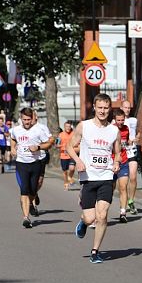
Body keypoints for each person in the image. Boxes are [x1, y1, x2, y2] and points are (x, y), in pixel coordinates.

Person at [66, 93, 121, 264]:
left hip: (106, 176)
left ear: (109, 109)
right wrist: (78, 161)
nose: (103, 111)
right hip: (88, 177)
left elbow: (118, 153)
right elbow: (68, 146)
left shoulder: (114, 130)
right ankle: (83, 222)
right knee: (90, 218)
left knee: (102, 215)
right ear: (95, 108)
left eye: (106, 108)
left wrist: (117, 163)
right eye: (100, 108)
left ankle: (95, 251)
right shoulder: (84, 126)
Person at [10, 107, 52, 228]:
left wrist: (38, 147)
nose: (27, 122)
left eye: (29, 119)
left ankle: (30, 203)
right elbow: (12, 138)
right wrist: (12, 148)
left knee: (33, 190)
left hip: (35, 163)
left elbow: (49, 143)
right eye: (24, 119)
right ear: (21, 119)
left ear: (32, 119)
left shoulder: (38, 130)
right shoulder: (16, 130)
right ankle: (26, 218)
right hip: (21, 163)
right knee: (24, 189)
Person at [31, 111, 54, 216]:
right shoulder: (23, 128)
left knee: (39, 181)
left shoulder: (42, 127)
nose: (30, 119)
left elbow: (50, 139)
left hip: (41, 156)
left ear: (36, 117)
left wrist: (49, 142)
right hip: (28, 158)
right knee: (31, 181)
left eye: (32, 116)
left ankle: (34, 194)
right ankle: (33, 205)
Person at [112, 109, 131, 223]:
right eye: (118, 120)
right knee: (111, 189)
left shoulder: (126, 129)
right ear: (114, 119)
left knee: (123, 187)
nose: (120, 122)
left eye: (122, 120)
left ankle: (123, 212)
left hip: (124, 161)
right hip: (111, 163)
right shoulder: (110, 129)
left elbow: (126, 142)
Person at [121, 100, 140, 215]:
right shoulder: (117, 121)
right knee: (123, 181)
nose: (127, 109)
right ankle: (124, 199)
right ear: (121, 108)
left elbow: (138, 131)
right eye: (125, 107)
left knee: (133, 177)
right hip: (122, 151)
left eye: (129, 108)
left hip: (132, 151)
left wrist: (137, 138)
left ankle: (131, 200)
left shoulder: (134, 120)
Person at [57, 121, 76, 190]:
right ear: (64, 127)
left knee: (72, 168)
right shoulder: (60, 135)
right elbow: (57, 144)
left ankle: (70, 177)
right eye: (66, 126)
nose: (68, 128)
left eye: (69, 126)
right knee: (65, 171)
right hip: (63, 155)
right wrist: (63, 146)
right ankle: (66, 182)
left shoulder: (74, 134)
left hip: (72, 154)